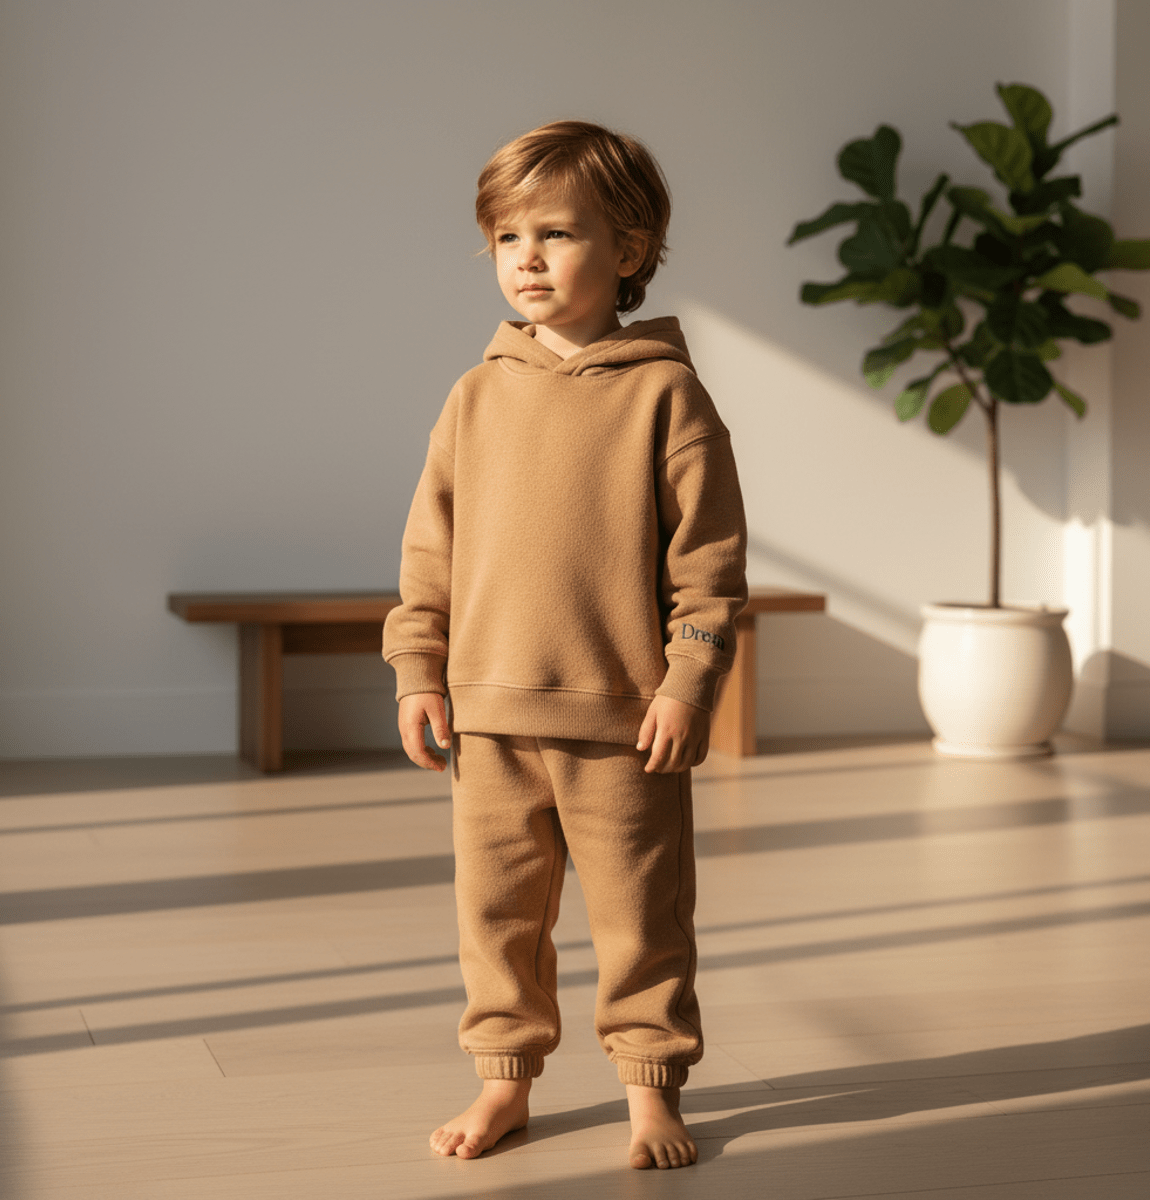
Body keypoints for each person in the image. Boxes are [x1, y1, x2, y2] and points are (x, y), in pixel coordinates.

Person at [382, 119, 748, 1171]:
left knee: (642, 916)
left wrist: (687, 683)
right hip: (488, 720)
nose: (526, 257)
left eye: (556, 232)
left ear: (629, 252)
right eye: (506, 238)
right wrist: (418, 667)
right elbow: (429, 553)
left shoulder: (667, 395)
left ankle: (651, 1091)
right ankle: (503, 1084)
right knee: (496, 917)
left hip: (623, 723)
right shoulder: (475, 395)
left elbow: (709, 568)